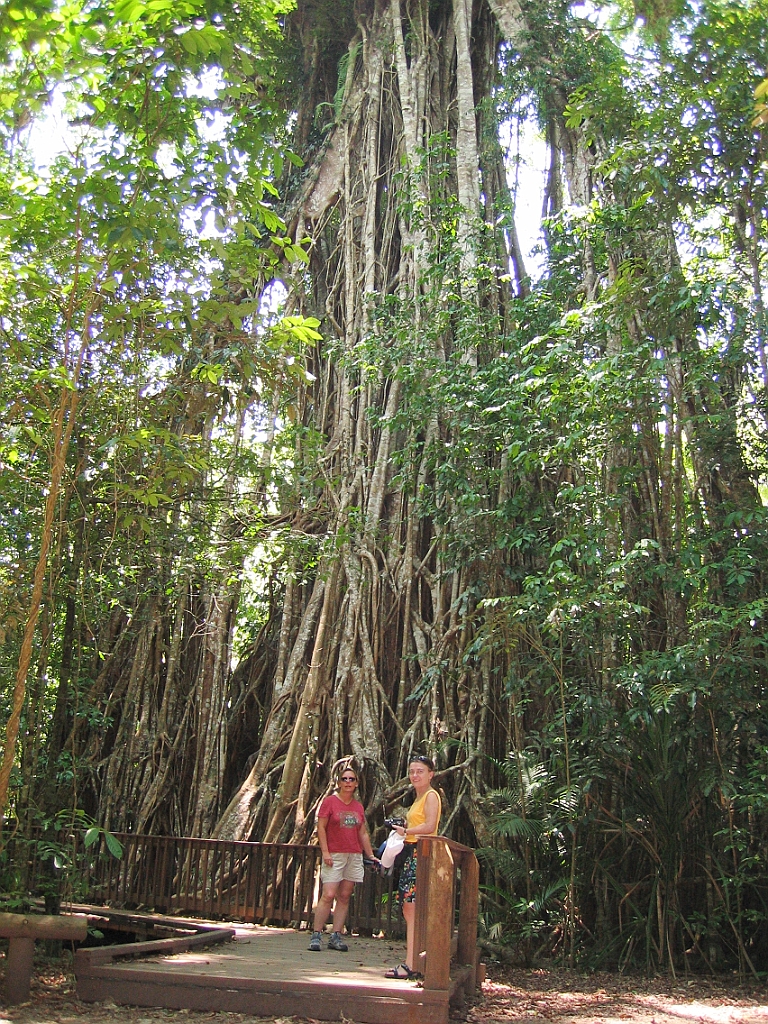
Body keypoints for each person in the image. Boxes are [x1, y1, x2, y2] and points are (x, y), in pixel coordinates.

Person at [308, 763, 378, 952]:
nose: (348, 782)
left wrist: (370, 854)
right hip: (334, 854)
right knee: (328, 894)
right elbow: (321, 828)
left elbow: (362, 832)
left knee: (345, 896)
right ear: (338, 782)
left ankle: (336, 936)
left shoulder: (358, 807)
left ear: (356, 784)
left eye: (351, 779)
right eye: (344, 779)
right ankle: (316, 935)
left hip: (354, 855)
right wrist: (325, 852)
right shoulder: (330, 802)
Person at [385, 754, 441, 980]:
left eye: (420, 771)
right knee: (410, 909)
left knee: (413, 908)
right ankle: (413, 960)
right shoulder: (418, 798)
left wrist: (406, 831)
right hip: (411, 853)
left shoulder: (431, 796)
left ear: (431, 774)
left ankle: (412, 963)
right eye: (412, 771)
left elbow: (429, 826)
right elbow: (420, 823)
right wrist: (404, 827)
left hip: (422, 854)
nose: (415, 775)